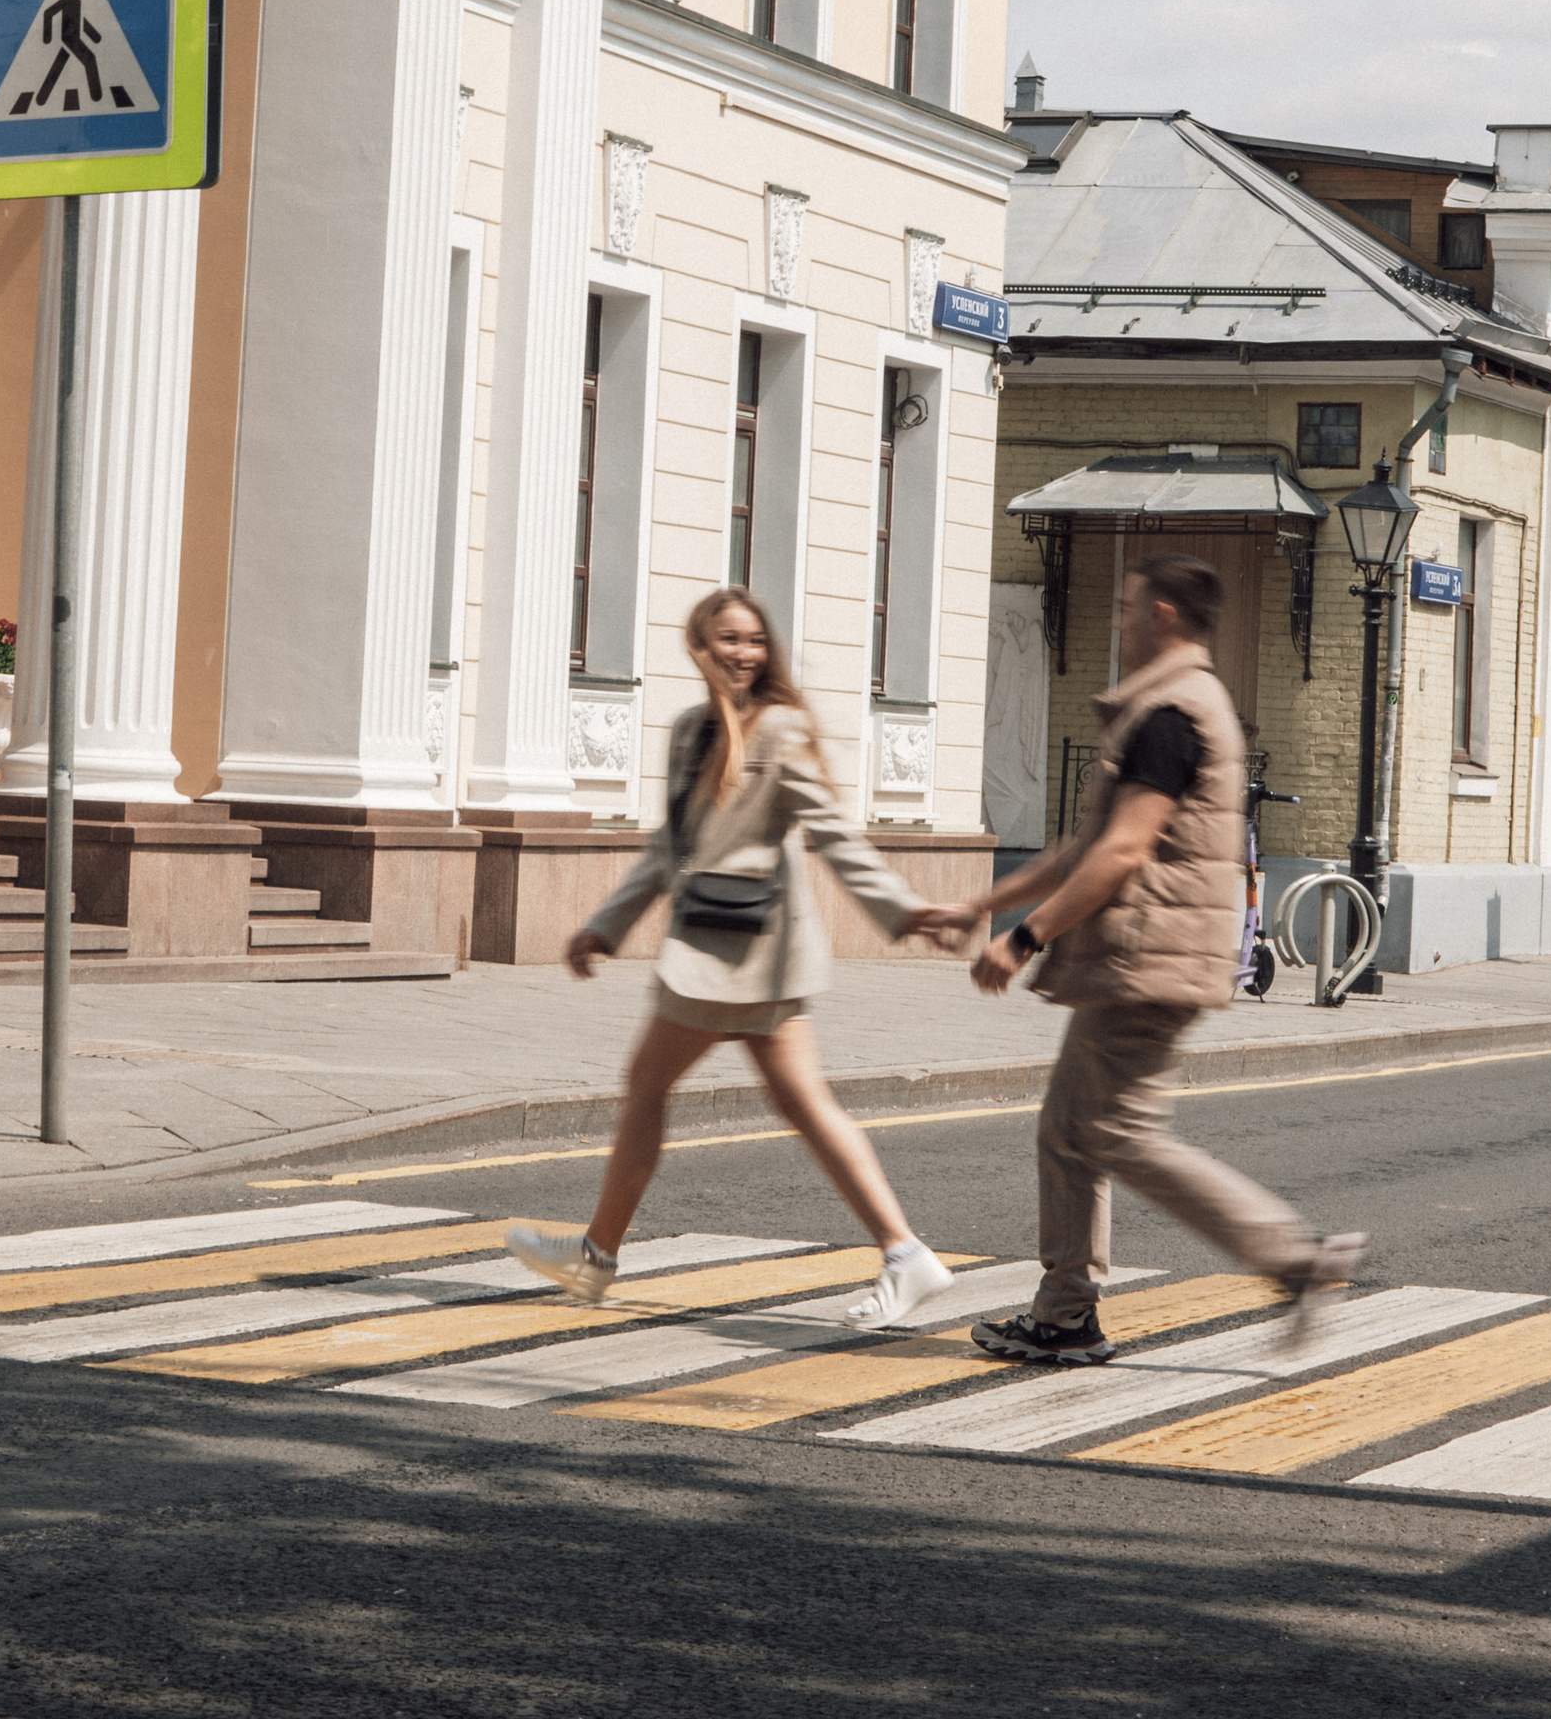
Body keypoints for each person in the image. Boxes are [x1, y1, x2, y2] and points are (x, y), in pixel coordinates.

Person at [940, 553, 1364, 1367]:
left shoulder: (1171, 713)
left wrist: (1026, 938)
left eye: (1128, 607)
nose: (1116, 620)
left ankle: (1296, 1259)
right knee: (1071, 1131)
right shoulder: (1169, 707)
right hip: (1141, 955)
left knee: (1119, 1131)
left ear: (1165, 616)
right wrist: (981, 905)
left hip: (1148, 958)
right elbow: (1086, 846)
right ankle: (1065, 1314)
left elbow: (1123, 850)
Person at [510, 587, 957, 1327]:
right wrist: (606, 926)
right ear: (699, 646)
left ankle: (595, 1261)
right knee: (798, 1103)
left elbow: (833, 833)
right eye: (727, 639)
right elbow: (668, 849)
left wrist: (900, 911)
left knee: (651, 1086)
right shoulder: (690, 731)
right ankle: (905, 1254)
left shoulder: (780, 729)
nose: (742, 652)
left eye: (753, 640)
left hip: (748, 951)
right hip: (723, 949)